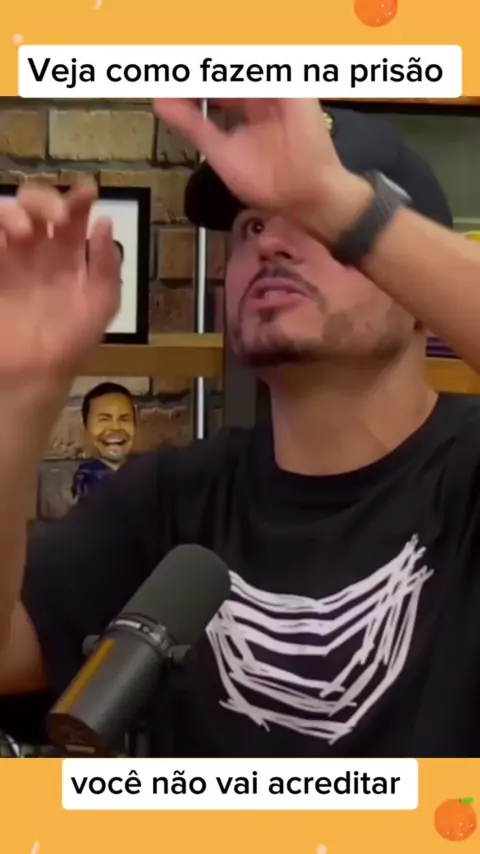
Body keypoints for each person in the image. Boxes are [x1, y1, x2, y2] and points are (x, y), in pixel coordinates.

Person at [1, 99, 480, 758]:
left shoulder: (465, 476)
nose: (270, 244)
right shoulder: (170, 499)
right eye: (251, 226)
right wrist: (21, 394)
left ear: (415, 287)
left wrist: (351, 214)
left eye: (316, 223)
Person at [72, 382, 136, 502]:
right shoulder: (87, 482)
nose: (116, 427)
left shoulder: (148, 479)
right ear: (86, 427)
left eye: (124, 419)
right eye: (104, 419)